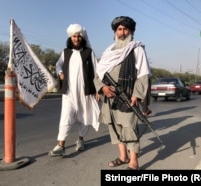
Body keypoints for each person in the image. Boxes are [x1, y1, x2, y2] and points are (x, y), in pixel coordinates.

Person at [94, 16, 151, 170]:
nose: (122, 32)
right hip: (109, 96)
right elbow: (98, 75)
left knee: (129, 128)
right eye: (119, 29)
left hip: (127, 96)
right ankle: (123, 157)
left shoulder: (136, 49)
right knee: (114, 127)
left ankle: (133, 162)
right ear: (115, 32)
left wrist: (136, 95)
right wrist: (103, 88)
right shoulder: (108, 51)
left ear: (131, 31)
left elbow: (143, 74)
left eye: (126, 29)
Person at [49, 24, 100, 157]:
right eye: (74, 36)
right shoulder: (66, 52)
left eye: (78, 36)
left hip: (85, 91)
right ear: (70, 38)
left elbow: (97, 71)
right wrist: (60, 72)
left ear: (82, 38)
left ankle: (80, 140)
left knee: (84, 116)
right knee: (65, 117)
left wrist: (98, 90)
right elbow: (58, 65)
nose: (76, 39)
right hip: (69, 92)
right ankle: (61, 145)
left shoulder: (89, 52)